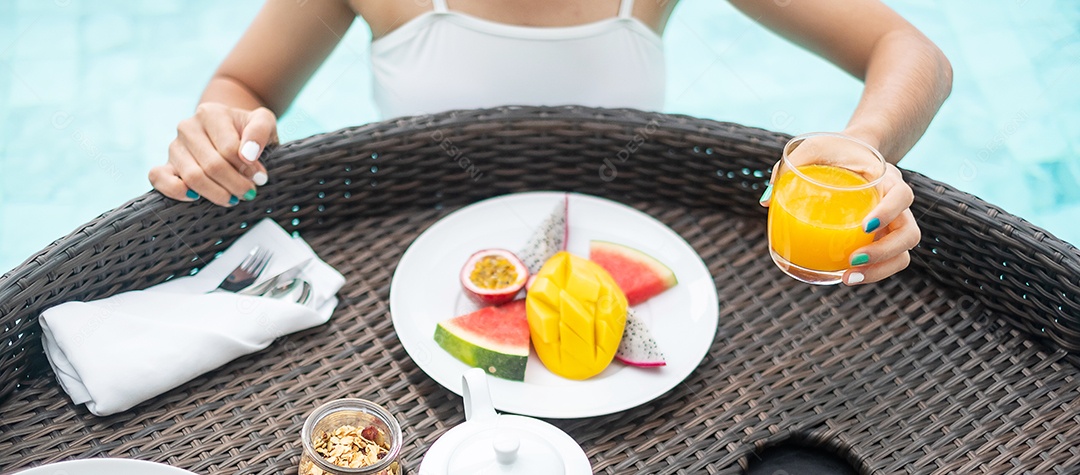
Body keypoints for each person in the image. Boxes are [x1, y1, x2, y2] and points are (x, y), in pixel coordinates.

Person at [147, 0, 952, 286]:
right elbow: (245, 86)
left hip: (610, 271)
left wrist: (865, 147)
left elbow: (913, 54)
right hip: (410, 275)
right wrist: (222, 129)